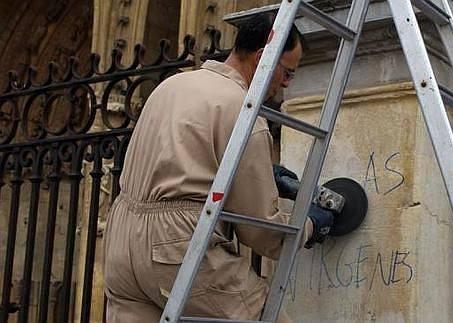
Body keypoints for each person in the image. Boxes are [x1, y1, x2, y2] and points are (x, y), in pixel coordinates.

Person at [104, 13, 335, 323]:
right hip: (175, 248)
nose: (284, 84)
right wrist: (309, 225)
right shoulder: (243, 110)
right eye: (287, 73)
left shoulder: (172, 85)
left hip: (121, 245)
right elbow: (262, 231)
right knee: (265, 317)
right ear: (263, 57)